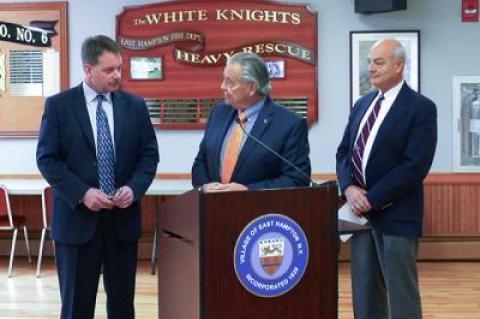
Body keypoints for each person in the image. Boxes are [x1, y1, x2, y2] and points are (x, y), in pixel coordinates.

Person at [36, 35, 159, 319]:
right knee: (77, 307)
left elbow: (149, 157)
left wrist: (134, 188)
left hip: (122, 222)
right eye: (108, 70)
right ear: (88, 69)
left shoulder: (135, 106)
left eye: (119, 68)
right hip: (77, 223)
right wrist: (82, 193)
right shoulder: (59, 106)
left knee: (122, 308)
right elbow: (47, 159)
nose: (116, 75)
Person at [336, 39, 437, 319]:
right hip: (357, 212)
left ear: (399, 65)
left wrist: (371, 198)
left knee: (400, 293)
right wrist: (349, 187)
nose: (371, 68)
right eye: (369, 62)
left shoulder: (421, 108)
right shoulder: (362, 104)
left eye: (378, 62)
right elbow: (343, 152)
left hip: (396, 213)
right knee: (364, 291)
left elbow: (415, 165)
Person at [192, 52, 310, 192]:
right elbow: (201, 161)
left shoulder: (289, 124)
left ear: (252, 88)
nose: (222, 86)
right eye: (223, 80)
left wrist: (249, 191)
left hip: (261, 212)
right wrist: (204, 186)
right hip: (213, 208)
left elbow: (297, 180)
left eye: (229, 82)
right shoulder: (218, 113)